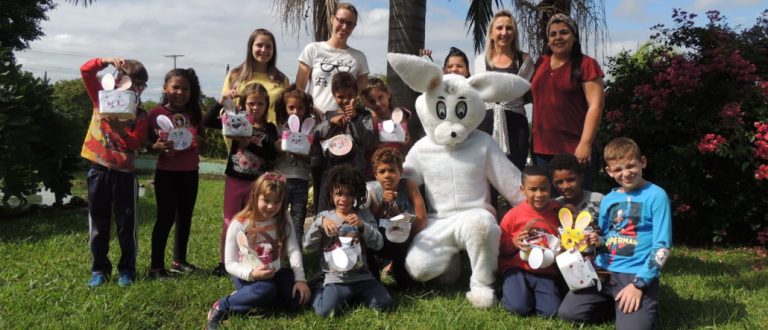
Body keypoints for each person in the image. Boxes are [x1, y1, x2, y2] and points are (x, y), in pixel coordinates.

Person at [558, 137, 672, 329]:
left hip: (635, 273)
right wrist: (597, 240)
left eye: (631, 166)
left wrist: (639, 285)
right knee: (569, 313)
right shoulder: (609, 199)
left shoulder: (656, 196)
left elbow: (662, 246)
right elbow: (606, 236)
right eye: (618, 169)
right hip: (604, 271)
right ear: (609, 171)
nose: (626, 173)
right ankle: (617, 305)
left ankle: (641, 302)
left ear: (643, 162)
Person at [206, 172, 310, 330]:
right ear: (255, 197)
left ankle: (250, 300)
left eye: (277, 202)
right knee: (267, 289)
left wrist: (300, 280)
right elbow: (229, 263)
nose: (271, 206)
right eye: (266, 200)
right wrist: (252, 275)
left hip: (274, 272)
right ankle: (222, 305)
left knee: (297, 299)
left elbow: (293, 248)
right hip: (247, 275)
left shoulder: (284, 218)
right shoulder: (239, 223)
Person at [80, 57, 149, 288]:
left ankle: (127, 270)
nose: (136, 89)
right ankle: (99, 269)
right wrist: (105, 61)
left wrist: (121, 128)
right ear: (117, 81)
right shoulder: (101, 100)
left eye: (141, 85)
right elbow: (86, 71)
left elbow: (135, 142)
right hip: (98, 169)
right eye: (133, 83)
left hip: (125, 174)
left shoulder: (140, 115)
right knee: (98, 224)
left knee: (126, 224)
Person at [204, 83, 279, 276]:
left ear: (266, 105)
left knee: (251, 223)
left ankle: (248, 260)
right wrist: (222, 101)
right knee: (230, 221)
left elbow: (271, 153)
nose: (255, 107)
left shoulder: (269, 128)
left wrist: (249, 144)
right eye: (251, 103)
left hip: (257, 184)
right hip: (235, 179)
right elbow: (207, 121)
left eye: (260, 104)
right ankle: (224, 262)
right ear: (243, 103)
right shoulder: (235, 119)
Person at [304, 165, 394, 317]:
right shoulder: (324, 217)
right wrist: (320, 224)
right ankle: (318, 287)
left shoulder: (363, 216)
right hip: (336, 278)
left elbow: (378, 244)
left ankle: (353, 296)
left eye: (349, 194)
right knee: (324, 312)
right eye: (339, 194)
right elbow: (307, 246)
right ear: (331, 193)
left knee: (385, 304)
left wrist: (362, 226)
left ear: (356, 195)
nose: (344, 199)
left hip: (363, 277)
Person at [531, 13, 605, 190]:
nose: (558, 38)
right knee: (548, 206)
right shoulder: (540, 62)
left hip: (574, 148)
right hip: (541, 149)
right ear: (548, 40)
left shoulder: (586, 64)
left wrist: (585, 143)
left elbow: (596, 105)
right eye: (553, 34)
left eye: (564, 32)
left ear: (574, 36)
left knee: (577, 206)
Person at [146, 68, 205, 279]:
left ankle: (179, 261)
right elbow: (146, 143)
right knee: (165, 218)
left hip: (190, 173)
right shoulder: (154, 114)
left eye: (185, 88)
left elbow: (203, 141)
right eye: (175, 87)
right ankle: (156, 267)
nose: (180, 92)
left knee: (185, 217)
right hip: (166, 174)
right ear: (165, 88)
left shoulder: (195, 113)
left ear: (191, 91)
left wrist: (200, 142)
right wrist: (156, 146)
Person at [474, 10, 535, 171]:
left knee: (515, 181)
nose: (504, 32)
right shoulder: (481, 61)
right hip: (485, 126)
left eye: (509, 28)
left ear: (514, 33)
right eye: (499, 28)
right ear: (492, 33)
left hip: (516, 128)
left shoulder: (525, 61)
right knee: (487, 183)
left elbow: (529, 93)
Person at [498, 165, 562, 316]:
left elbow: (567, 237)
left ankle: (531, 297)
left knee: (551, 312)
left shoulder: (557, 211)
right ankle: (509, 294)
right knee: (518, 308)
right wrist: (513, 243)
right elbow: (500, 247)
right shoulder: (513, 215)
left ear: (551, 187)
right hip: (517, 268)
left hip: (544, 270)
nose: (539, 194)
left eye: (544, 189)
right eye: (533, 189)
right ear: (523, 189)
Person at [313, 72, 374, 212]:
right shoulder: (328, 115)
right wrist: (330, 123)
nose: (346, 100)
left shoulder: (364, 115)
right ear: (334, 95)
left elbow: (366, 140)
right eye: (340, 97)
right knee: (328, 210)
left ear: (356, 93)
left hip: (355, 171)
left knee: (355, 209)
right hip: (331, 173)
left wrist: (354, 119)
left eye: (350, 96)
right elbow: (314, 135)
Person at [366, 147, 427, 288]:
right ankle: (373, 281)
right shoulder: (373, 191)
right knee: (365, 243)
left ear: (401, 171)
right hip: (383, 241)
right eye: (382, 171)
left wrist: (407, 238)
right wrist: (382, 204)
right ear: (375, 175)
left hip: (406, 240)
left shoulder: (408, 185)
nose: (387, 175)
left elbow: (422, 218)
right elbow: (371, 224)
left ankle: (400, 272)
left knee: (409, 287)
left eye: (392, 170)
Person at [295, 2, 369, 117]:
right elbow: (299, 88)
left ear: (354, 27)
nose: (344, 27)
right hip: (314, 119)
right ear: (332, 19)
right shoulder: (313, 49)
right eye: (341, 21)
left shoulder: (359, 57)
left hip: (344, 120)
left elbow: (360, 89)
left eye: (350, 24)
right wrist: (310, 109)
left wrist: (348, 108)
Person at [273, 84, 323, 244]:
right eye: (291, 107)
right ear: (284, 108)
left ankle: (296, 257)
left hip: (301, 181)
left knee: (298, 219)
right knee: (276, 218)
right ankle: (276, 255)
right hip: (280, 180)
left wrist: (298, 152)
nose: (295, 111)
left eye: (300, 108)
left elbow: (313, 159)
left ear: (306, 109)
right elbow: (270, 157)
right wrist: (278, 149)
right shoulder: (279, 129)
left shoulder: (310, 131)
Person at [221, 28, 288, 125]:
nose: (264, 50)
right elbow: (224, 107)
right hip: (239, 134)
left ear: (274, 50)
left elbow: (286, 112)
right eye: (259, 45)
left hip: (271, 136)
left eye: (268, 47)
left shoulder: (282, 79)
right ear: (251, 47)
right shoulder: (234, 75)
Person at [361, 77, 412, 176]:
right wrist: (374, 121)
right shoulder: (366, 119)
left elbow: (407, 143)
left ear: (388, 94)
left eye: (380, 97)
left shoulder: (399, 114)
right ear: (366, 103)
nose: (378, 103)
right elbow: (366, 144)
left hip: (394, 168)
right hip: (374, 171)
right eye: (372, 101)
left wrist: (405, 139)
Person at [550, 153, 603, 221]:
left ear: (581, 177)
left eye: (571, 180)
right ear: (554, 184)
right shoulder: (554, 206)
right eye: (559, 182)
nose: (566, 186)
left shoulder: (599, 200)